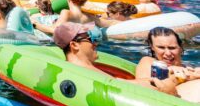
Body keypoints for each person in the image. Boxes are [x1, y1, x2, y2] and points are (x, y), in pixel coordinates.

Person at [52, 23, 195, 100]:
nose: (96, 43)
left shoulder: (88, 69)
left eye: (172, 47)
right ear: (74, 45)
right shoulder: (80, 72)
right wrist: (172, 82)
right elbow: (123, 88)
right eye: (91, 39)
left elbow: (118, 83)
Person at [135, 27, 200, 102]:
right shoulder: (149, 62)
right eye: (161, 48)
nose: (168, 53)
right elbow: (143, 87)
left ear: (180, 48)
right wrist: (175, 76)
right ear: (152, 48)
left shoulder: (190, 68)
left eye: (172, 48)